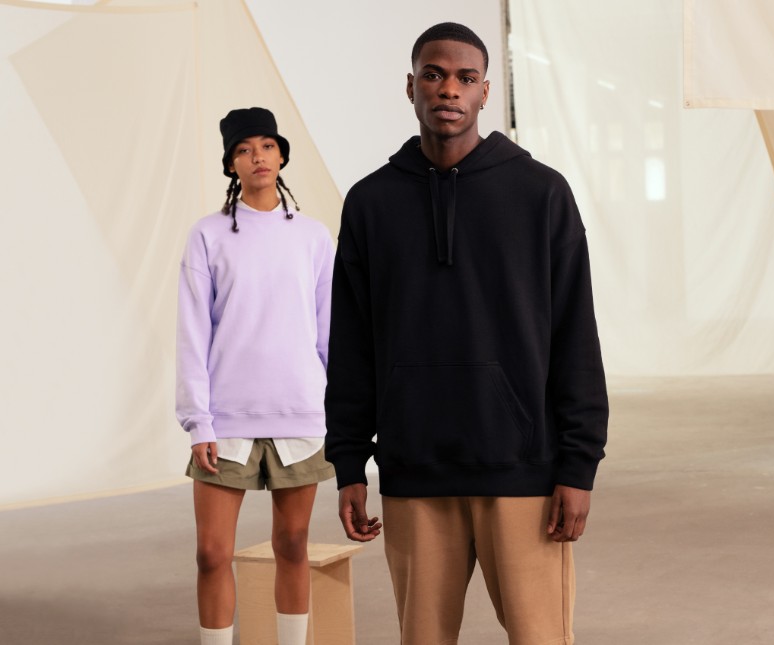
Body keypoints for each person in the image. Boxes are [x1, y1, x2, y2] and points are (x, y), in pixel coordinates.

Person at [324, 22, 609, 645]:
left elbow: (575, 338)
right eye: (433, 75)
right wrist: (348, 460)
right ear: (411, 87)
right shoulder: (370, 203)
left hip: (522, 472)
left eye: (465, 77)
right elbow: (351, 345)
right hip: (414, 469)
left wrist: (578, 465)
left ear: (484, 92)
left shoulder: (541, 194)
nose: (448, 89)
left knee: (541, 638)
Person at [176, 107, 335, 645]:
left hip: (301, 414)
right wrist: (198, 421)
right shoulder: (207, 235)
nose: (257, 157)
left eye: (267, 146)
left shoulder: (314, 238)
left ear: (282, 156)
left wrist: (342, 412)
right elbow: (192, 332)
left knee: (293, 545)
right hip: (226, 420)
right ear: (231, 165)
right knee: (211, 553)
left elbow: (329, 333)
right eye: (244, 150)